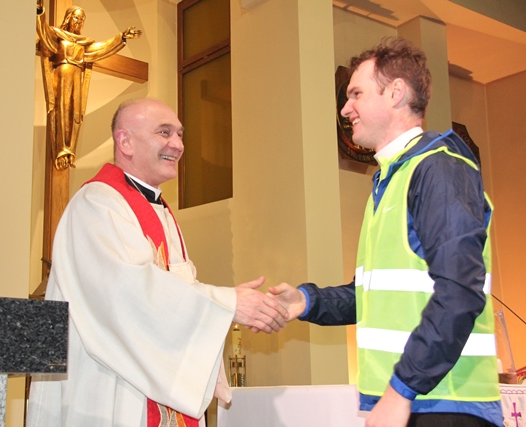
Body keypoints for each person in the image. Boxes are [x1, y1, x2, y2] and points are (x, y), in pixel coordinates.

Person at [269, 37, 500, 427]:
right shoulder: (391, 180)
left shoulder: (439, 169)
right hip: (413, 400)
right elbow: (373, 296)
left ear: (396, 93)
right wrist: (306, 301)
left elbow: (460, 292)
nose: (345, 109)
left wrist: (401, 389)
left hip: (444, 404)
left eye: (356, 94)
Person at [26, 98, 289, 426]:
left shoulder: (160, 211)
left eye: (180, 134)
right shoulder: (97, 204)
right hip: (110, 391)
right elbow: (125, 294)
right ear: (125, 142)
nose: (178, 144)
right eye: (164, 133)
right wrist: (225, 304)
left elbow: (174, 291)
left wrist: (224, 305)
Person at [36, 1, 141, 170]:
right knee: (62, 108)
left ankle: (69, 147)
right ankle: (61, 147)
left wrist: (121, 37)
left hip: (77, 77)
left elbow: (102, 48)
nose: (78, 22)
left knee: (75, 111)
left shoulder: (84, 44)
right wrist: (40, 13)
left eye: (81, 20)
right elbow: (44, 35)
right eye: (76, 18)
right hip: (63, 73)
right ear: (68, 18)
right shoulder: (58, 36)